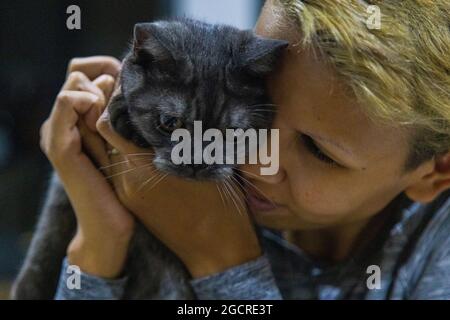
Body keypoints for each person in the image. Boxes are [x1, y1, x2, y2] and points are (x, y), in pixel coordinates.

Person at [40, 0, 450, 299]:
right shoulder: (178, 177)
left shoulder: (435, 253)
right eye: (257, 113)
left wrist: (225, 263)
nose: (252, 159)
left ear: (435, 173)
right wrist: (97, 240)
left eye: (317, 150)